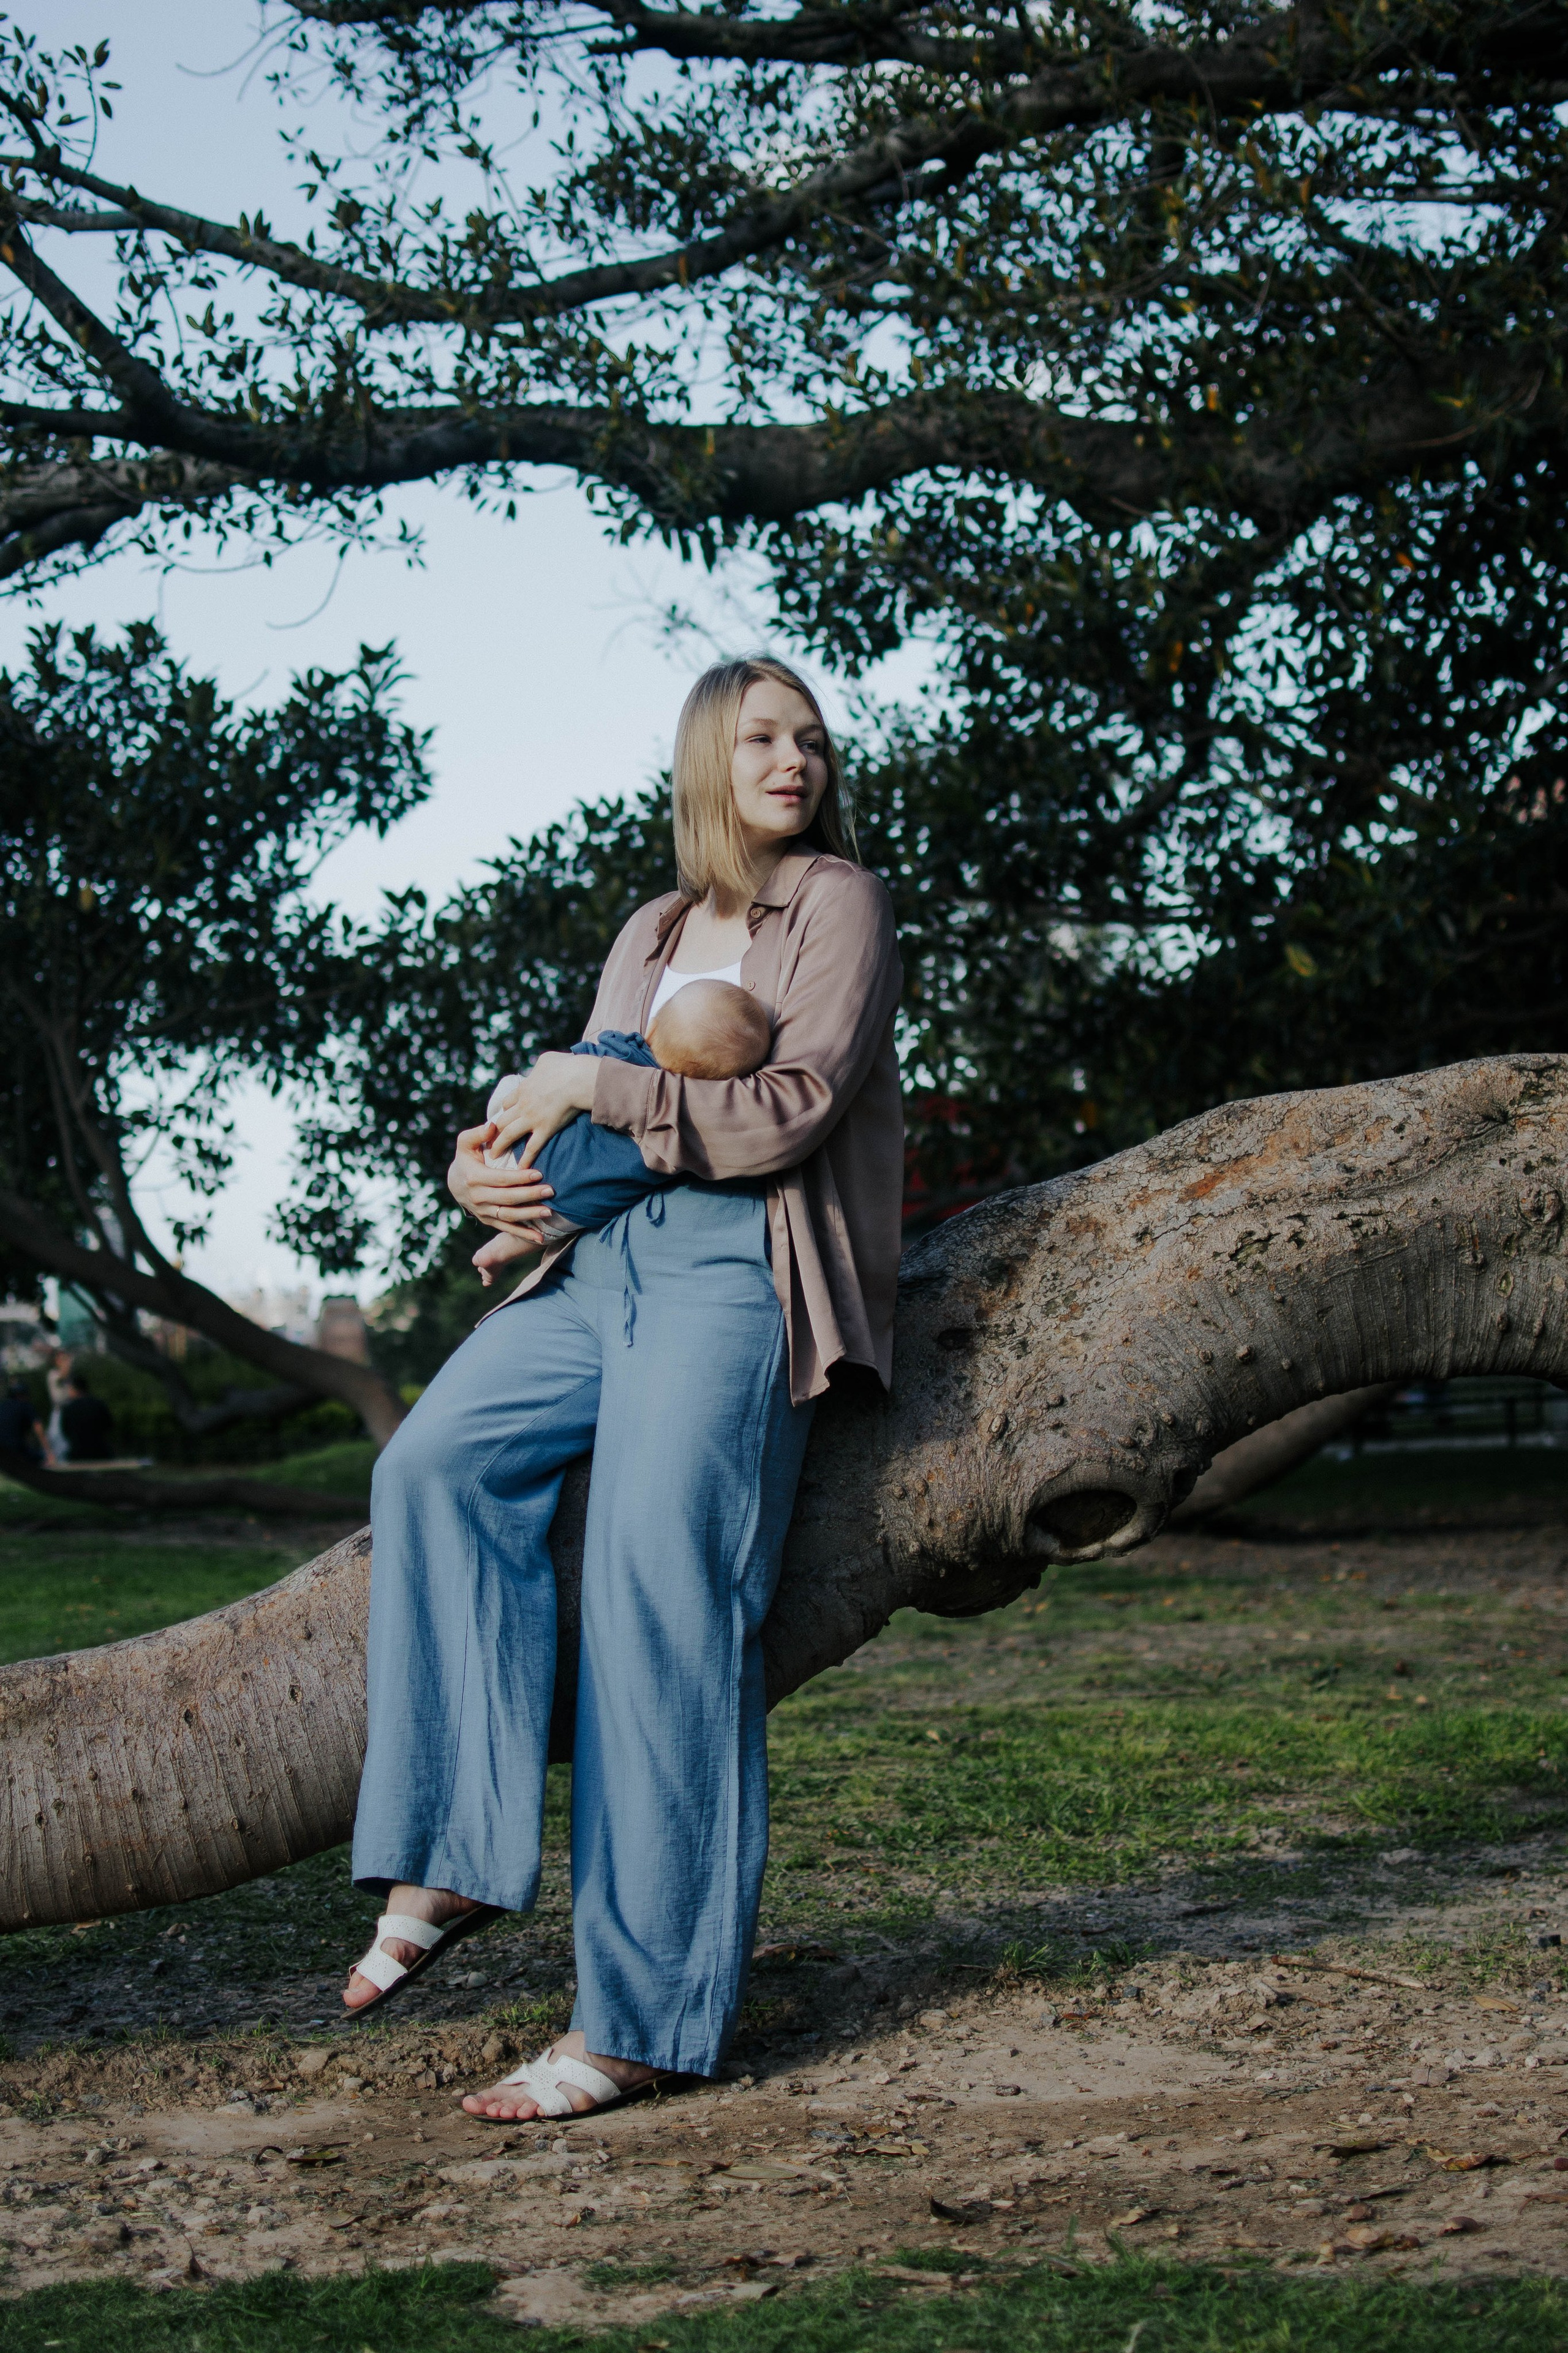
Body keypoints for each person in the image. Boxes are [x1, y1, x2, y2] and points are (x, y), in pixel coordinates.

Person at [342, 654, 904, 2128]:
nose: (793, 758)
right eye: (762, 736)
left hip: (737, 1266)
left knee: (660, 1604)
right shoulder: (653, 925)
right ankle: (460, 1846)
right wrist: (491, 1173)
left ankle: (640, 2023)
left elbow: (787, 1111)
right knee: (431, 1466)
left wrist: (590, 1092)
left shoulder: (834, 901)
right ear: (707, 759)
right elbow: (586, 1117)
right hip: (597, 1264)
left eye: (810, 737)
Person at [471, 978, 772, 1283]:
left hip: (508, 1150)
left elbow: (568, 1065)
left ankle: (487, 1135)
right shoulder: (672, 1133)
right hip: (550, 1210)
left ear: (652, 1028)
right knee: (563, 1217)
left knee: (514, 1086)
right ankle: (497, 1252)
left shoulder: (623, 1051)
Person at [59, 1372, 113, 1464]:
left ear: (75, 1389)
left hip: (77, 1455)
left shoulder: (68, 1409)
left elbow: (65, 1431)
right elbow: (109, 1425)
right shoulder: (99, 1404)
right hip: (101, 1453)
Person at [0, 1381, 48, 1465]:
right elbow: (38, 1427)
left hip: (2, 1451)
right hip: (15, 1450)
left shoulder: (2, 1407)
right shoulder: (25, 1405)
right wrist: (49, 1452)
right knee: (41, 1458)